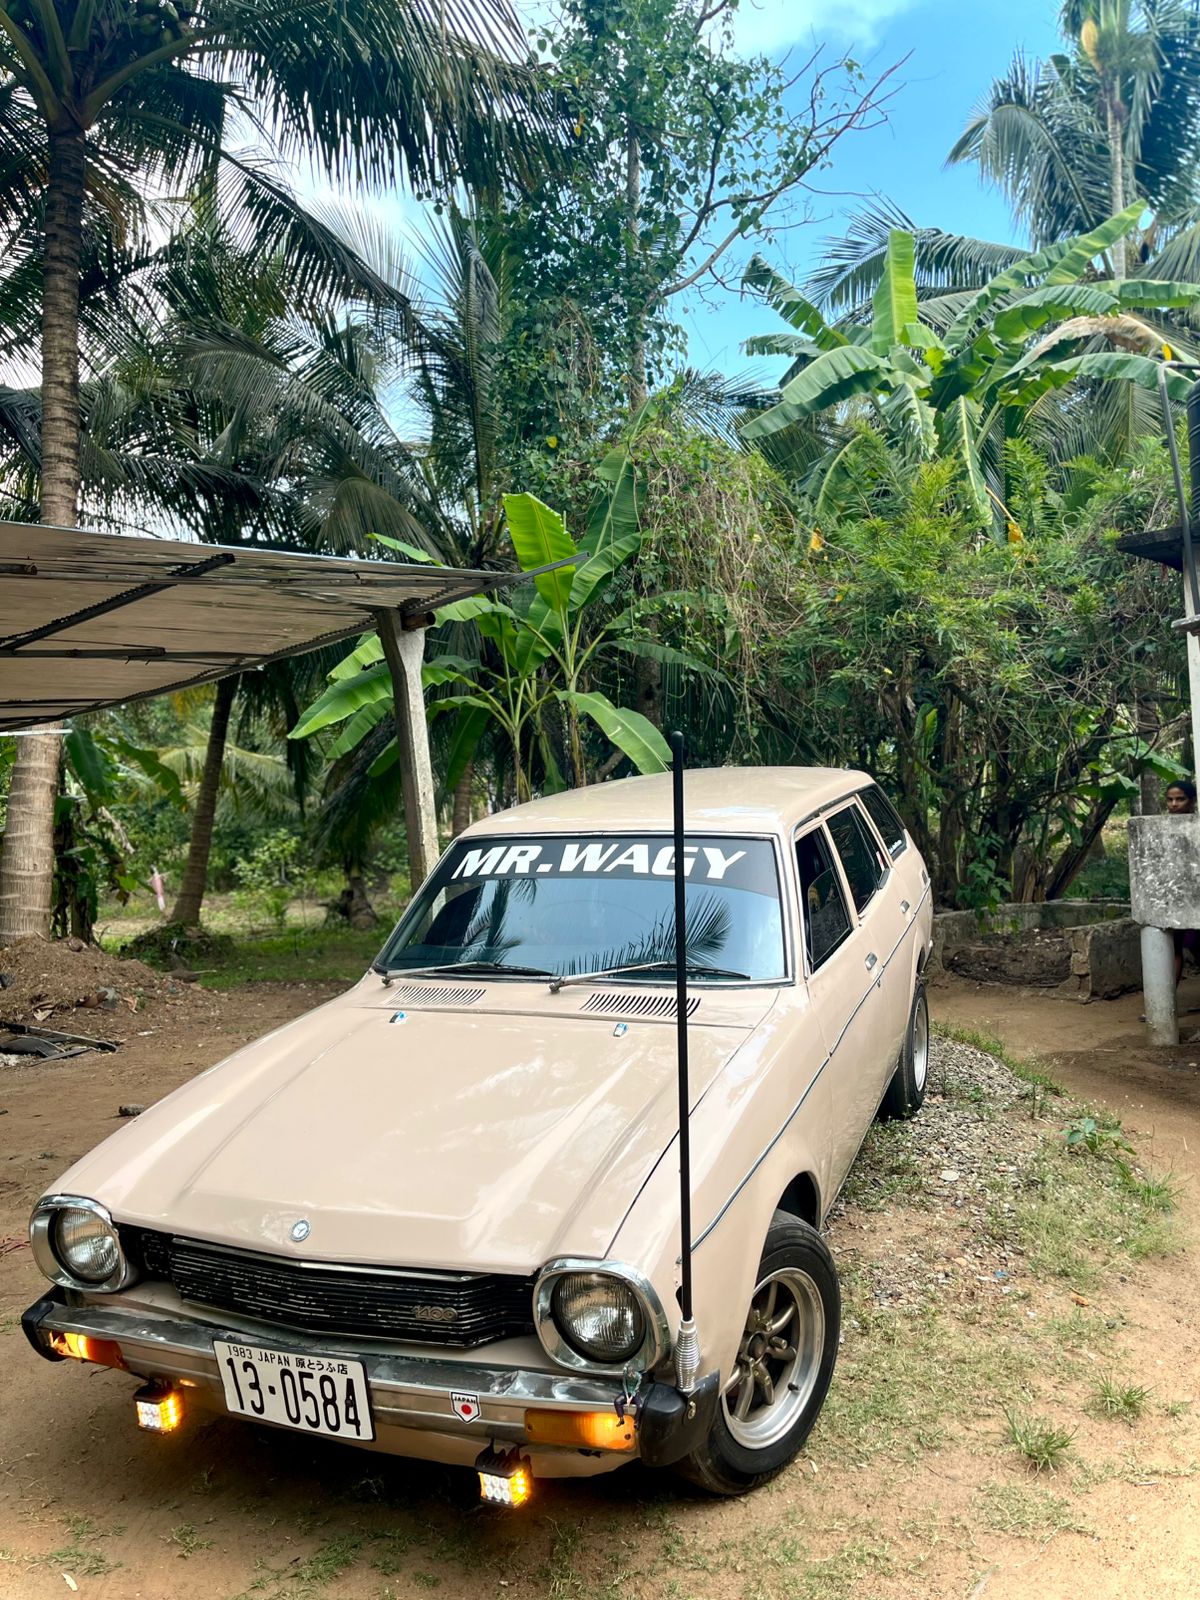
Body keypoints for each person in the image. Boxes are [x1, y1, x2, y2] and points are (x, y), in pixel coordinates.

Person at [1166, 779, 1199, 982]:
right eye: (1170, 800)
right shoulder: (1160, 828)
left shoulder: (1196, 825)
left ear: (1192, 800)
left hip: (1196, 896)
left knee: (1195, 945)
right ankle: (1165, 1008)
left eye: (1180, 799)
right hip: (1175, 896)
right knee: (1175, 946)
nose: (1174, 804)